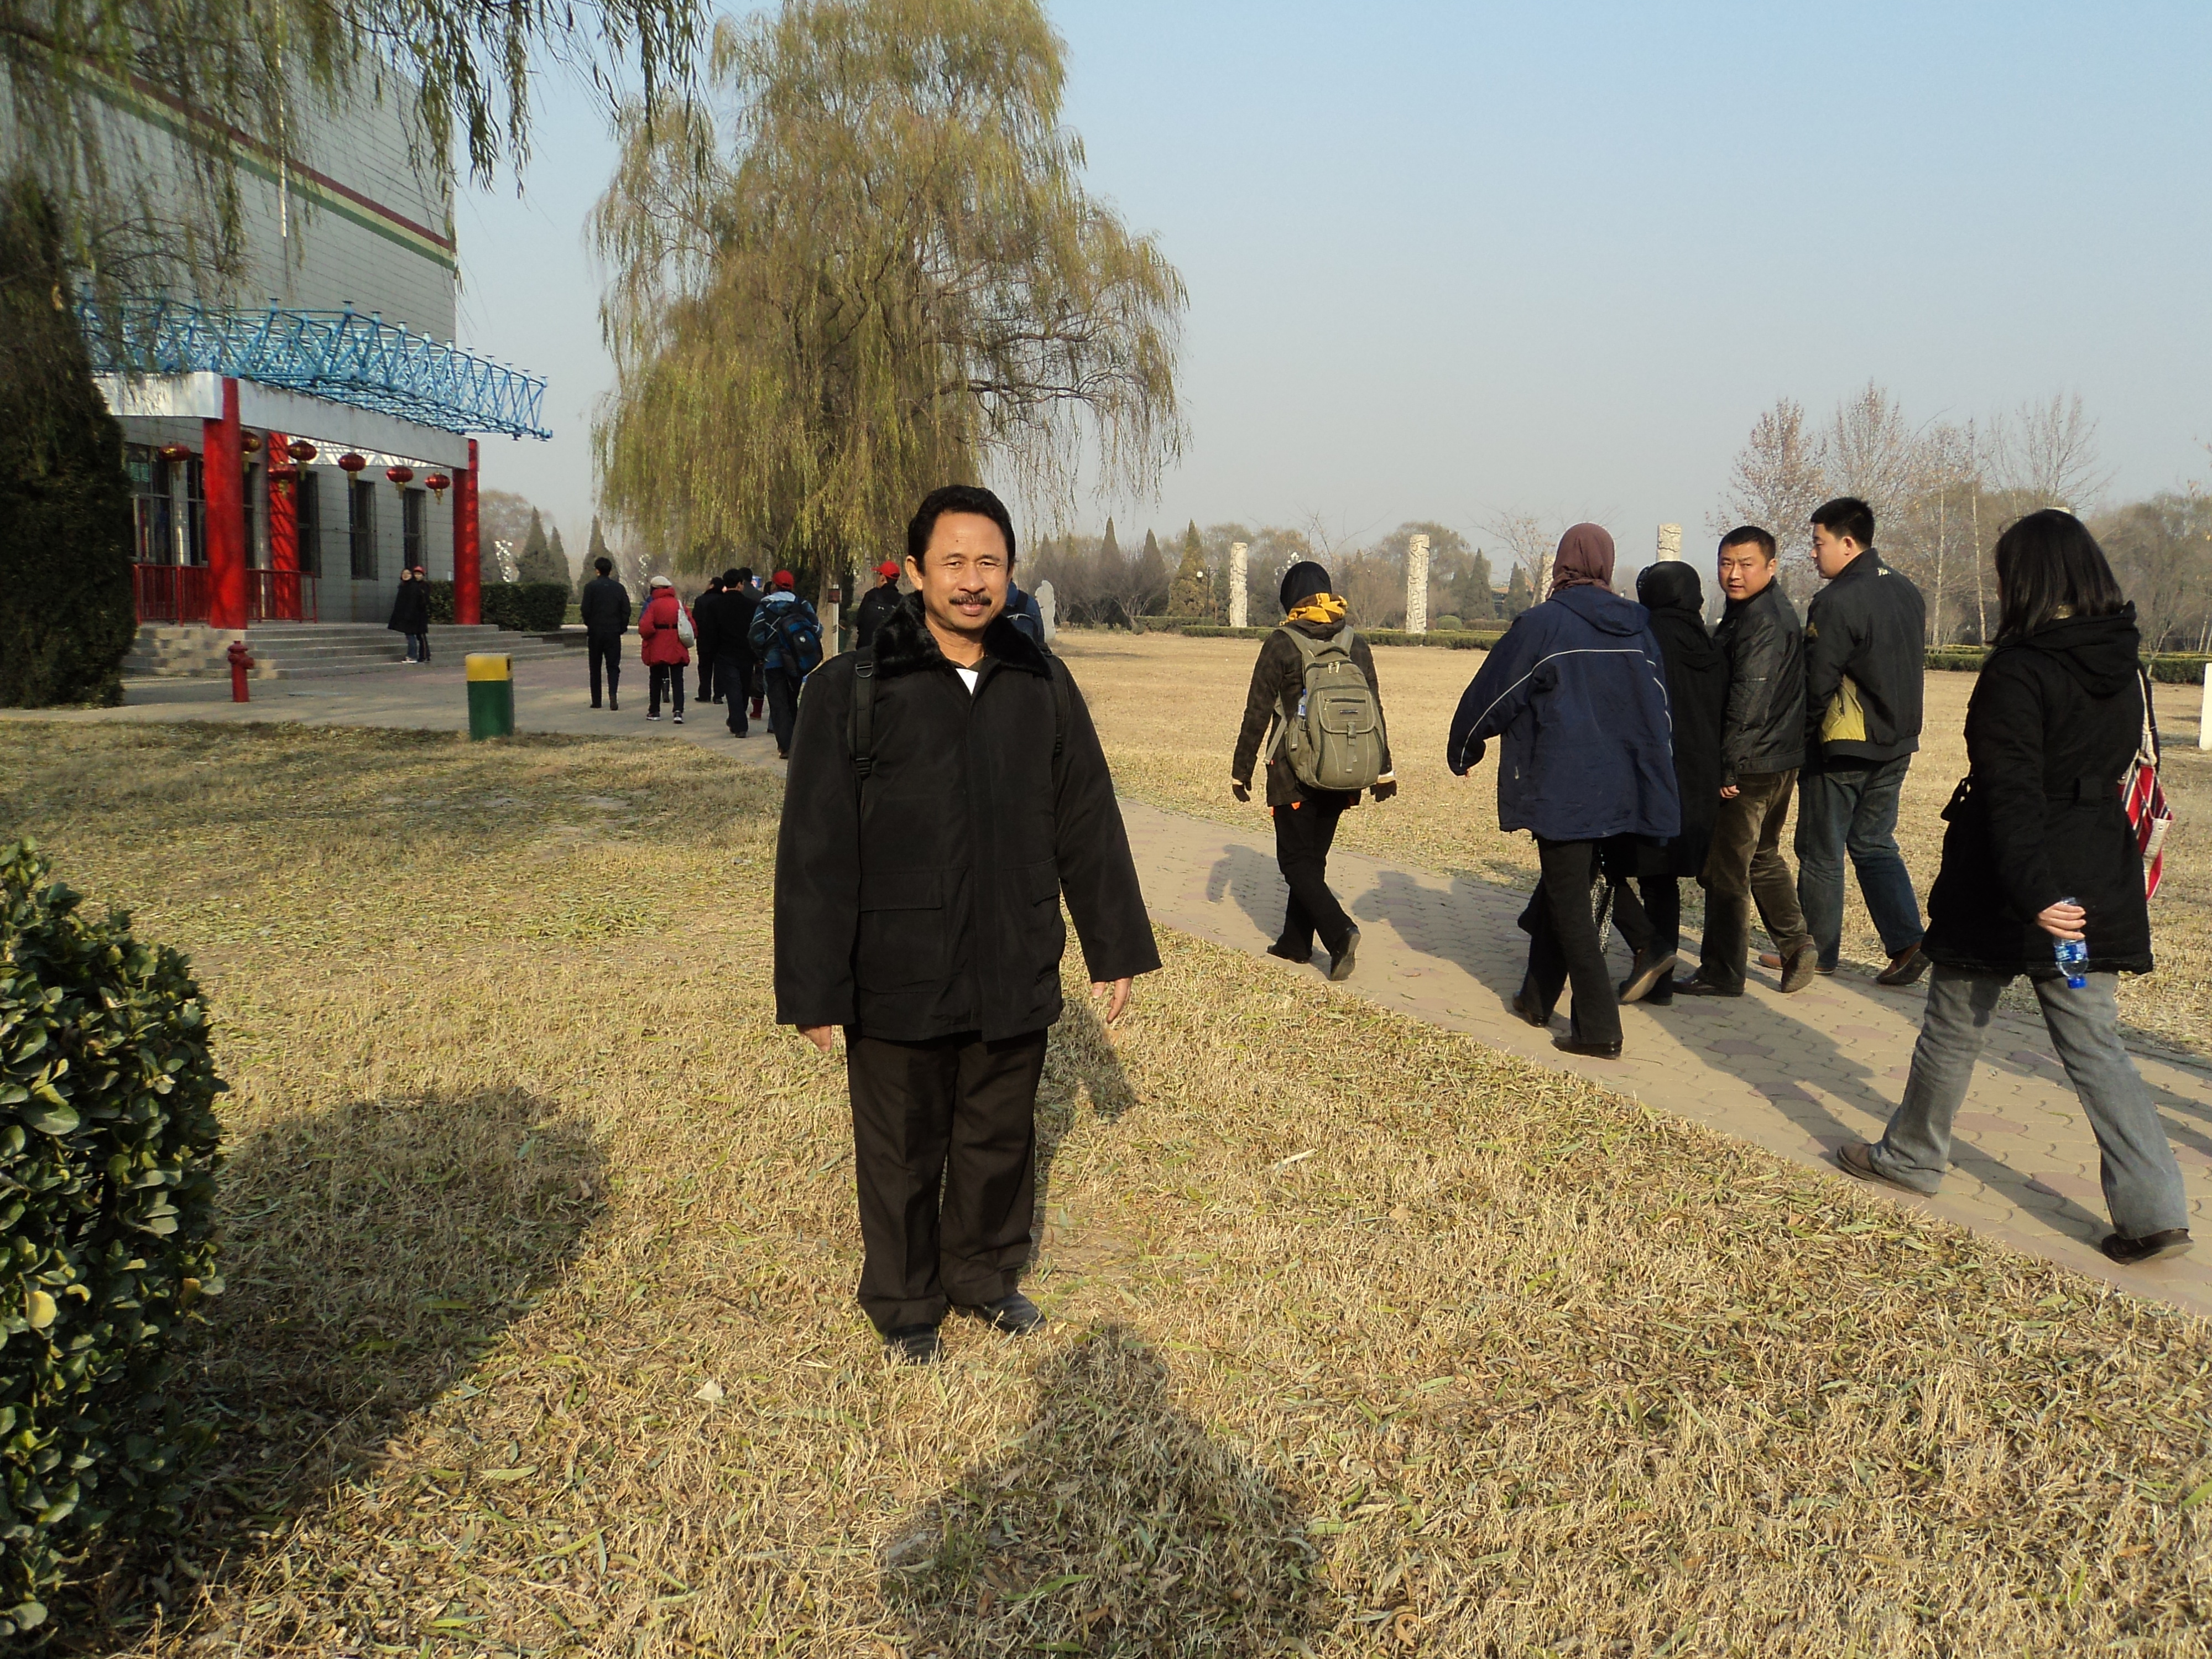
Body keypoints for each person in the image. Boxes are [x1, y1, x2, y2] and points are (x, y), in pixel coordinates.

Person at [774, 482, 1159, 1364]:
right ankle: (907, 1301)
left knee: (998, 1134)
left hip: (1013, 950)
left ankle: (984, 1275)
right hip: (897, 961)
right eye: (954, 562)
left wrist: (1114, 946)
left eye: (989, 562)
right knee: (902, 1145)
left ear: (1012, 572)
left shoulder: (1042, 682)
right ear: (916, 572)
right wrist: (814, 986)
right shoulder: (853, 686)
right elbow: (815, 847)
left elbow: (1086, 818)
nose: (973, 580)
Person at [1840, 510, 2189, 1265]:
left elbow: (2012, 791)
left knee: (1955, 1022)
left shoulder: (2020, 669)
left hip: (2013, 893)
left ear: (2025, 580)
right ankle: (2156, 1209)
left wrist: (2035, 895)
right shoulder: (2123, 662)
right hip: (2089, 885)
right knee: (2093, 1041)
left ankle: (1912, 1156)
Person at [1447, 524, 1678, 1057]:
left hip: (1564, 786)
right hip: (1629, 785)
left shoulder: (1543, 624)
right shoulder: (1640, 628)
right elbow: (1662, 711)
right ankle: (1536, 999)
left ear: (1563, 563)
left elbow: (1493, 695)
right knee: (1564, 885)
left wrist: (1464, 747)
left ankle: (1599, 1028)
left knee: (1572, 901)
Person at [1229, 560, 1396, 980]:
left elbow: (1257, 710)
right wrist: (1384, 769)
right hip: (1344, 768)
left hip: (1293, 772)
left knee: (1294, 861)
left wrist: (1241, 770)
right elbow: (1374, 709)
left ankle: (1339, 933)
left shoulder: (1282, 642)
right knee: (1312, 860)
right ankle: (1295, 942)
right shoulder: (1354, 642)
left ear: (1290, 601)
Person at [1674, 526, 1819, 997]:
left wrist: (1729, 766)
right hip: (1777, 756)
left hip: (1753, 763)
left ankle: (1722, 971)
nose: (1734, 574)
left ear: (1771, 567)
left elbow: (1748, 699)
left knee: (1726, 870)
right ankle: (1797, 944)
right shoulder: (1761, 610)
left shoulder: (1761, 620)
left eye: (1746, 564)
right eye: (1726, 563)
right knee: (1762, 856)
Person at [1792, 495, 1930, 986]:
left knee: (1820, 850)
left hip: (1844, 746)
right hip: (1898, 742)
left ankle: (1817, 953)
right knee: (1874, 843)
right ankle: (1908, 943)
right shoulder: (1907, 590)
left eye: (1818, 543)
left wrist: (1798, 741)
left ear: (1848, 543)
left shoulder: (1835, 602)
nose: (1813, 553)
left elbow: (1818, 683)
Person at [1605, 559, 1726, 1005]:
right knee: (1663, 880)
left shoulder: (1644, 638)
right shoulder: (1710, 646)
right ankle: (1659, 985)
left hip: (1651, 774)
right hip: (1697, 782)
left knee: (1599, 863)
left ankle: (1646, 949)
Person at [748, 570, 821, 758]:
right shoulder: (801, 604)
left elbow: (755, 635)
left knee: (778, 703)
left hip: (773, 661)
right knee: (792, 700)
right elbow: (817, 629)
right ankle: (797, 742)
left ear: (774, 585)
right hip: (796, 661)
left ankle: (786, 746)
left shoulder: (765, 606)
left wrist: (761, 654)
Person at [637, 573, 692, 723]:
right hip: (677, 646)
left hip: (658, 646)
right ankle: (678, 711)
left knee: (655, 679)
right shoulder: (679, 604)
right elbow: (691, 625)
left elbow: (645, 628)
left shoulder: (654, 605)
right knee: (678, 679)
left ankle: (654, 711)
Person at [580, 555, 632, 711]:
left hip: (596, 632)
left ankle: (596, 700)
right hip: (613, 632)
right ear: (610, 571)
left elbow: (585, 609)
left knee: (595, 666)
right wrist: (622, 627)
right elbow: (626, 610)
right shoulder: (619, 588)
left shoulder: (590, 587)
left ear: (597, 571)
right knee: (613, 666)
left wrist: (590, 624)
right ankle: (613, 695)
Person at [719, 567, 759, 738]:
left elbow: (710, 631)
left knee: (733, 688)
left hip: (725, 652)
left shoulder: (717, 605)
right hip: (746, 652)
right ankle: (739, 721)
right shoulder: (752, 606)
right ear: (740, 584)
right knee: (744, 687)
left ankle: (738, 722)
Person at [692, 575, 727, 703]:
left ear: (712, 585)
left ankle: (704, 694)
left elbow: (695, 620)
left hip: (704, 638)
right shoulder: (724, 600)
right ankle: (718, 695)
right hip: (721, 639)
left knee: (704, 667)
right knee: (720, 668)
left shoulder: (700, 600)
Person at [853, 561, 902, 651]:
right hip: (892, 653)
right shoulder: (902, 601)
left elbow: (859, 621)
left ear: (883, 578)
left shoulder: (871, 596)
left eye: (878, 574)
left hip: (866, 650)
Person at [388, 565, 430, 664]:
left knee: (417, 636)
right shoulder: (405, 586)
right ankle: (417, 656)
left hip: (416, 617)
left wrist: (409, 615)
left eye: (408, 574)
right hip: (410, 616)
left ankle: (418, 656)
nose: (406, 575)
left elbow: (415, 602)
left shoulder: (417, 587)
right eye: (404, 573)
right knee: (412, 636)